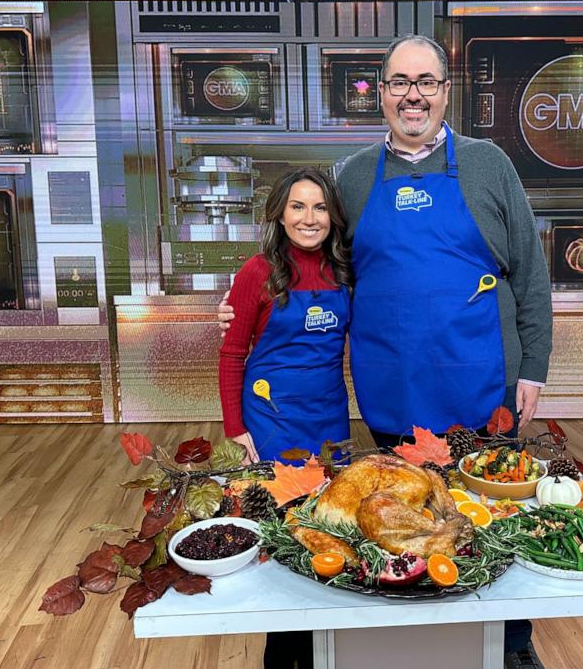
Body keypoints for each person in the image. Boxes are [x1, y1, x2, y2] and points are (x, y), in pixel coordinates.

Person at [220, 35, 552, 669]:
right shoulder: (353, 175)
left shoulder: (488, 165)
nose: (413, 95)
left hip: (482, 380)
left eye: (426, 81)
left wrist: (533, 367)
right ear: (381, 93)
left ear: (446, 90)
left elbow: (532, 275)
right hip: (388, 386)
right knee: (392, 514)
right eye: (400, 82)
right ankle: (400, 642)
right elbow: (314, 258)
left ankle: (511, 645)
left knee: (487, 513)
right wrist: (251, 299)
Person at [219, 166, 352, 465]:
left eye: (320, 208)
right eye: (297, 207)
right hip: (270, 416)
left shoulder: (345, 271)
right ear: (280, 214)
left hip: (329, 415)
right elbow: (232, 354)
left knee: (332, 504)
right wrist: (235, 428)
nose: (309, 219)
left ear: (332, 216)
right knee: (274, 504)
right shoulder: (257, 271)